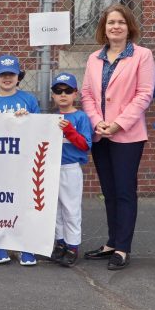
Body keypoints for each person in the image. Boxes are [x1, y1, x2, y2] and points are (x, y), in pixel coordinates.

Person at [80, 4, 155, 271]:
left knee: (124, 191)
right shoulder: (93, 58)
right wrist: (97, 122)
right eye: (111, 22)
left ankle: (122, 248)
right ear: (104, 27)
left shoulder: (142, 56)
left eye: (121, 22)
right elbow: (87, 94)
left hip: (127, 135)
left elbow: (144, 94)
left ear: (129, 26)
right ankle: (112, 242)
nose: (116, 27)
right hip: (100, 134)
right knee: (109, 191)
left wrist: (117, 124)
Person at [0, 54, 39, 266]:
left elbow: (39, 129)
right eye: (2, 75)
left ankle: (26, 246)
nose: (7, 78)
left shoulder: (29, 100)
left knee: (24, 202)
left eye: (11, 74)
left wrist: (28, 119)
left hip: (22, 160)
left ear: (18, 76)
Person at [48, 73, 92, 267]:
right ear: (53, 95)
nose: (63, 95)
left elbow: (85, 145)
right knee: (54, 209)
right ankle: (60, 243)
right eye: (58, 91)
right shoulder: (50, 117)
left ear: (76, 93)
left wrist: (70, 131)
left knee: (70, 208)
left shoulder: (80, 116)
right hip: (51, 168)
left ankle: (73, 246)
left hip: (70, 169)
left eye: (67, 91)